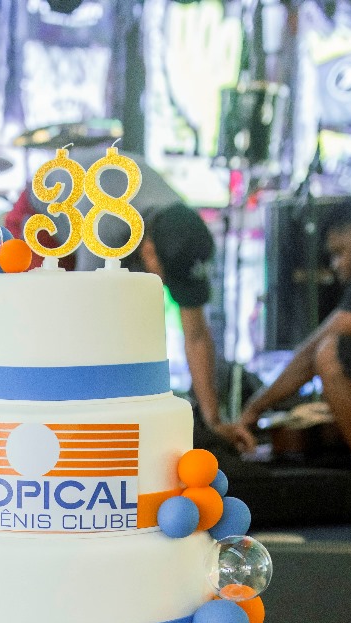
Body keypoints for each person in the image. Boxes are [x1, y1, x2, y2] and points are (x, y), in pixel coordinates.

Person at [233, 196, 351, 512]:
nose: (335, 265)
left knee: (330, 353)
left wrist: (255, 407)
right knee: (342, 407)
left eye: (338, 252)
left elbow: (313, 354)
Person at [75, 152, 254, 454]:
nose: (168, 286)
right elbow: (84, 323)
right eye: (168, 278)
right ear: (148, 252)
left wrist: (213, 420)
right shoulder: (103, 230)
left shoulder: (183, 230)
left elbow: (196, 334)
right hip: (45, 215)